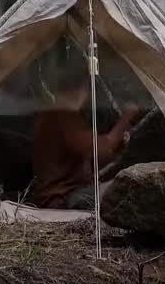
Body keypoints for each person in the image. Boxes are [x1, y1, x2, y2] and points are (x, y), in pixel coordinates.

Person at [31, 70, 140, 210]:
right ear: (82, 90)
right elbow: (100, 149)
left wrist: (118, 146)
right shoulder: (62, 116)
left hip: (69, 194)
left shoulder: (55, 115)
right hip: (63, 198)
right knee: (130, 187)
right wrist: (127, 116)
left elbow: (94, 156)